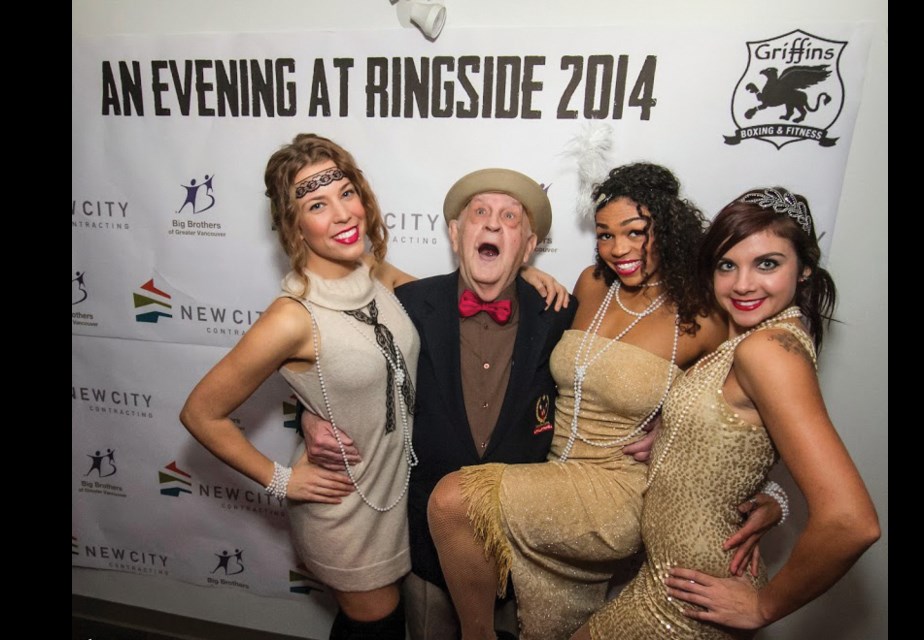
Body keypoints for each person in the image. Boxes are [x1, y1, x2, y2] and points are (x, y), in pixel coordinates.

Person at [182, 137, 567, 640]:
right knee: (377, 627)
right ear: (294, 224)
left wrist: (522, 271)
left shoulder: (372, 273)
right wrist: (282, 480)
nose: (342, 214)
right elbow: (200, 413)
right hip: (345, 507)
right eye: (317, 205)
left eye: (347, 193)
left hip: (396, 501)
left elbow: (464, 289)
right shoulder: (289, 318)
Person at [427, 163, 784, 640]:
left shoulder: (705, 314)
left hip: (618, 491)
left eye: (636, 232)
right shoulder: (593, 284)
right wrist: (524, 272)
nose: (620, 249)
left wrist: (775, 499)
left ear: (668, 227)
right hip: (554, 473)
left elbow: (751, 417)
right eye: (605, 235)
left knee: (454, 502)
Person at [579, 187, 881, 639]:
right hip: (669, 577)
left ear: (805, 270)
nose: (743, 284)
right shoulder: (761, 336)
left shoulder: (769, 351)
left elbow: (851, 522)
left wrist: (764, 606)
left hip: (686, 600)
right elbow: (749, 442)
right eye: (727, 265)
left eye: (767, 263)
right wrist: (774, 501)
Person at [302, 167, 578, 640]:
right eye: (479, 214)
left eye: (510, 217)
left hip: (520, 551)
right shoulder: (405, 304)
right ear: (455, 234)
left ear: (528, 246)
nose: (492, 224)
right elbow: (338, 372)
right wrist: (310, 419)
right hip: (427, 546)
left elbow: (614, 378)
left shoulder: (560, 313)